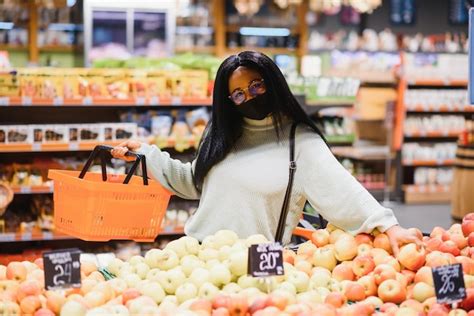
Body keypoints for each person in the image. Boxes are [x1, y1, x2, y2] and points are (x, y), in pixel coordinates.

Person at [112, 51, 421, 255]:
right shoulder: (221, 134)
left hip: (258, 268)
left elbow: (343, 190)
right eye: (238, 94)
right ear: (228, 99)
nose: (249, 97)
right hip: (199, 257)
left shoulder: (299, 142)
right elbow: (193, 182)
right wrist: (147, 155)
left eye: (257, 86)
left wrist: (389, 226)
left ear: (273, 83)